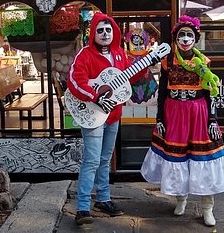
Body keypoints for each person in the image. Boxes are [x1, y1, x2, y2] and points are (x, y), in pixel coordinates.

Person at [141, 15, 224, 227]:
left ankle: (207, 208)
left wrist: (212, 120)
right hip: (174, 114)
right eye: (181, 35)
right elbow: (163, 93)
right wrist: (160, 118)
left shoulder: (203, 63)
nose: (185, 39)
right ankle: (181, 200)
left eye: (189, 35)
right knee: (179, 159)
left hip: (198, 115)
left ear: (195, 38)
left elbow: (210, 93)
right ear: (176, 38)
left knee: (202, 159)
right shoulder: (167, 62)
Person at [67, 12, 160, 225]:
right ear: (94, 34)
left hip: (114, 114)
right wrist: (95, 96)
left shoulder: (119, 53)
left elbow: (129, 77)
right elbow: (75, 80)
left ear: (114, 32)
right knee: (91, 160)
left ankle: (103, 199)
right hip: (92, 113)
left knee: (105, 159)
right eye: (100, 30)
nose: (105, 33)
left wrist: (147, 62)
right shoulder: (85, 54)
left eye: (108, 29)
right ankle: (82, 208)